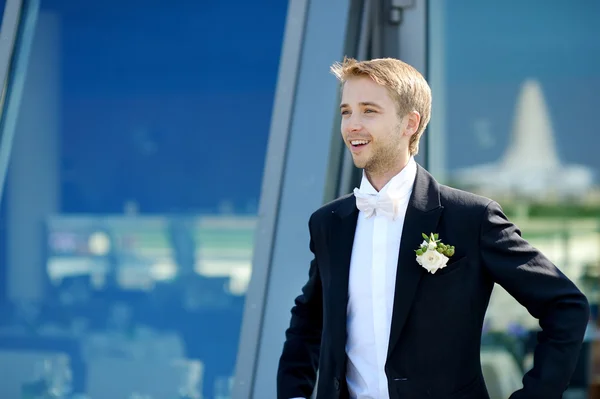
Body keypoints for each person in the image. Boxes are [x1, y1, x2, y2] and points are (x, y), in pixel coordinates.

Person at [276, 57, 589, 399]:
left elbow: (566, 306)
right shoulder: (328, 223)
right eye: (346, 111)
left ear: (410, 123)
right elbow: (308, 321)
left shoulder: (471, 217)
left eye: (369, 111)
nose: (352, 125)